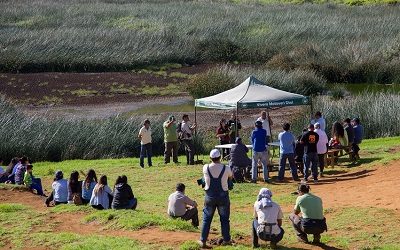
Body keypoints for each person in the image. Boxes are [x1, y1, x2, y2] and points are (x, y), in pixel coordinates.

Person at [199, 149, 232, 248]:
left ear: (210, 158)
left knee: (206, 219)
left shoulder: (206, 167)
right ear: (220, 157)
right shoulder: (226, 168)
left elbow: (204, 179)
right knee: (225, 219)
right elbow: (231, 176)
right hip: (223, 197)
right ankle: (226, 240)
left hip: (210, 197)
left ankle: (203, 241)